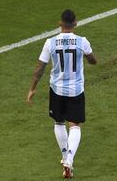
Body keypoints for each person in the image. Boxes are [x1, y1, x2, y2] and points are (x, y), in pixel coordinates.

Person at [27, 9, 97, 179]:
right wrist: (88, 57)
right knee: (74, 125)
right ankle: (69, 159)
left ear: (60, 24)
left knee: (59, 122)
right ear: (75, 23)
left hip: (56, 90)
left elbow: (40, 67)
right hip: (75, 90)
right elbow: (93, 61)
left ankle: (66, 157)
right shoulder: (82, 41)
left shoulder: (50, 43)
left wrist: (32, 88)